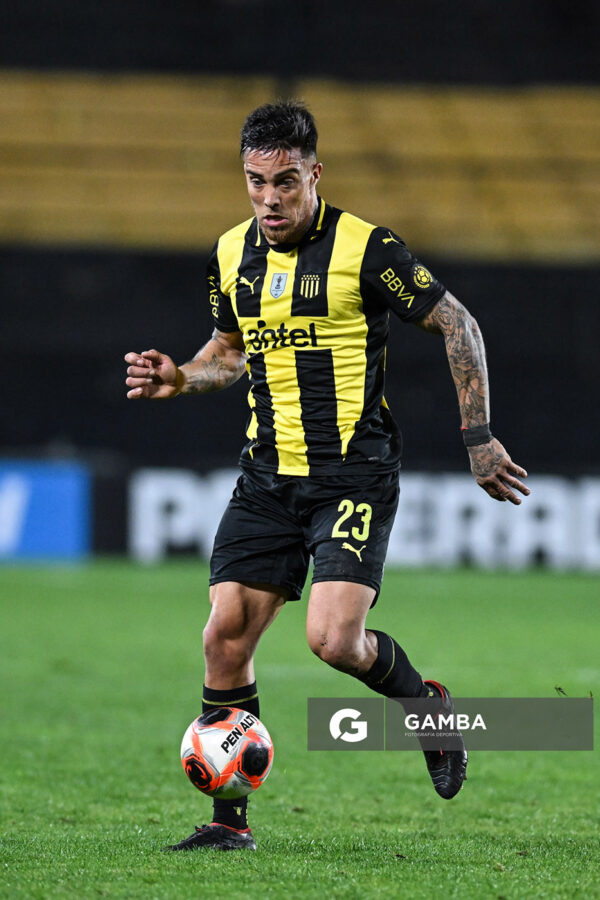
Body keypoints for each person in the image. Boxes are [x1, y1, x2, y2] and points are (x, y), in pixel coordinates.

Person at [124, 101, 529, 852]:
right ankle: (227, 822)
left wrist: (478, 439)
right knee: (223, 639)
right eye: (254, 183)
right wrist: (181, 376)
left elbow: (458, 324)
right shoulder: (228, 254)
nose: (269, 199)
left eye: (284, 181)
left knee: (334, 642)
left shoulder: (366, 248)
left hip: (352, 476)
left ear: (315, 173)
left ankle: (430, 715)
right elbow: (232, 351)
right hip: (266, 478)